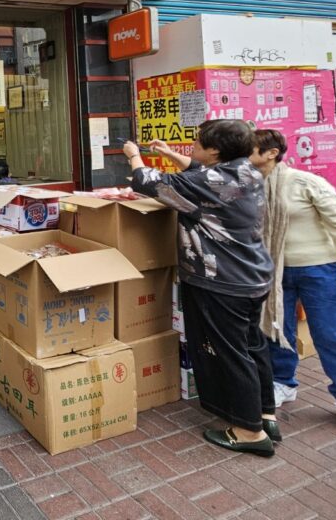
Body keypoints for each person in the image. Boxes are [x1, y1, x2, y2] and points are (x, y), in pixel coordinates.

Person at [124, 119, 278, 457]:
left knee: (230, 353)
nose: (192, 147)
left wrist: (134, 156)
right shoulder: (248, 171)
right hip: (252, 277)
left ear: (214, 150)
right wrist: (170, 153)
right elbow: (199, 173)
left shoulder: (210, 180)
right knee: (252, 345)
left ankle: (248, 433)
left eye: (196, 142)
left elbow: (149, 183)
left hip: (221, 281)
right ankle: (265, 414)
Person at [249, 128, 336, 440]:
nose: (244, 151)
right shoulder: (251, 185)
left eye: (251, 147)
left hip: (320, 269)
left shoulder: (304, 182)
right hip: (276, 272)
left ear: (271, 152)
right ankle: (283, 383)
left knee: (332, 336)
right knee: (276, 330)